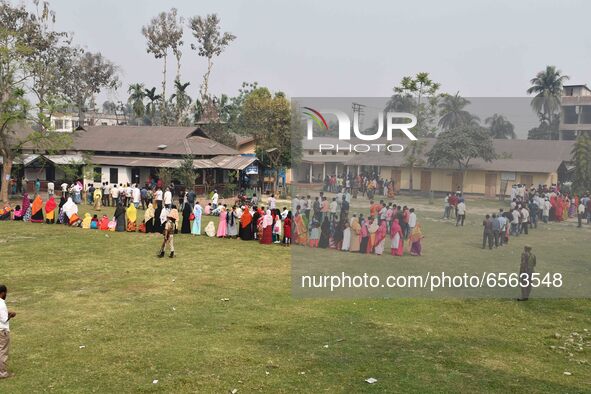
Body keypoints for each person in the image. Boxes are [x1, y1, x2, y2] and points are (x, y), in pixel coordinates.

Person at [0, 284, 16, 379]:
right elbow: (4, 319)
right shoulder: (1, 303)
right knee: (3, 352)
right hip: (2, 331)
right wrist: (12, 315)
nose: (6, 294)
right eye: (5, 293)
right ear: (2, 293)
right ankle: (3, 373)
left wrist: (7, 313)